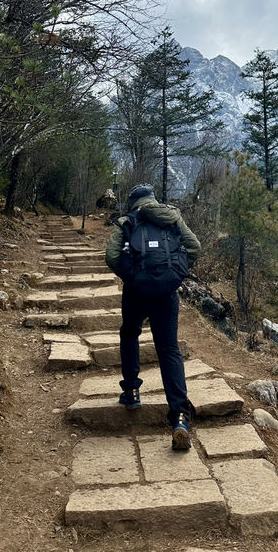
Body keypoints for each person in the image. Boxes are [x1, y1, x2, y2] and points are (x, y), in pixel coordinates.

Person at [105, 184, 201, 450]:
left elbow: (111, 256)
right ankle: (180, 417)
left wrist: (132, 276)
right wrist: (175, 274)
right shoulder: (171, 217)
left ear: (133, 202)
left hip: (136, 292)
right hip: (166, 294)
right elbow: (194, 247)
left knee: (129, 334)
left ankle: (132, 391)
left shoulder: (127, 221)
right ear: (153, 200)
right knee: (169, 350)